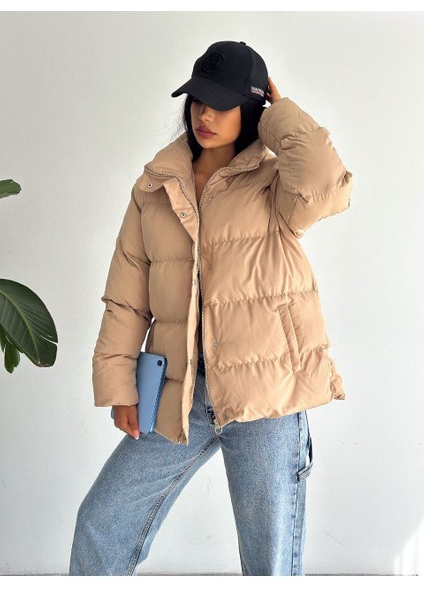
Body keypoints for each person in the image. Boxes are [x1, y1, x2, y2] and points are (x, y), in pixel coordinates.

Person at [68, 40, 353, 576]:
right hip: (181, 392)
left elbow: (327, 187)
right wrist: (119, 385)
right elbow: (127, 296)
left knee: (269, 564)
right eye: (199, 99)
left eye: (222, 104)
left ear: (252, 109)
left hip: (268, 396)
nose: (205, 114)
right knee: (101, 523)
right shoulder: (154, 187)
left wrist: (281, 116)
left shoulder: (276, 183)